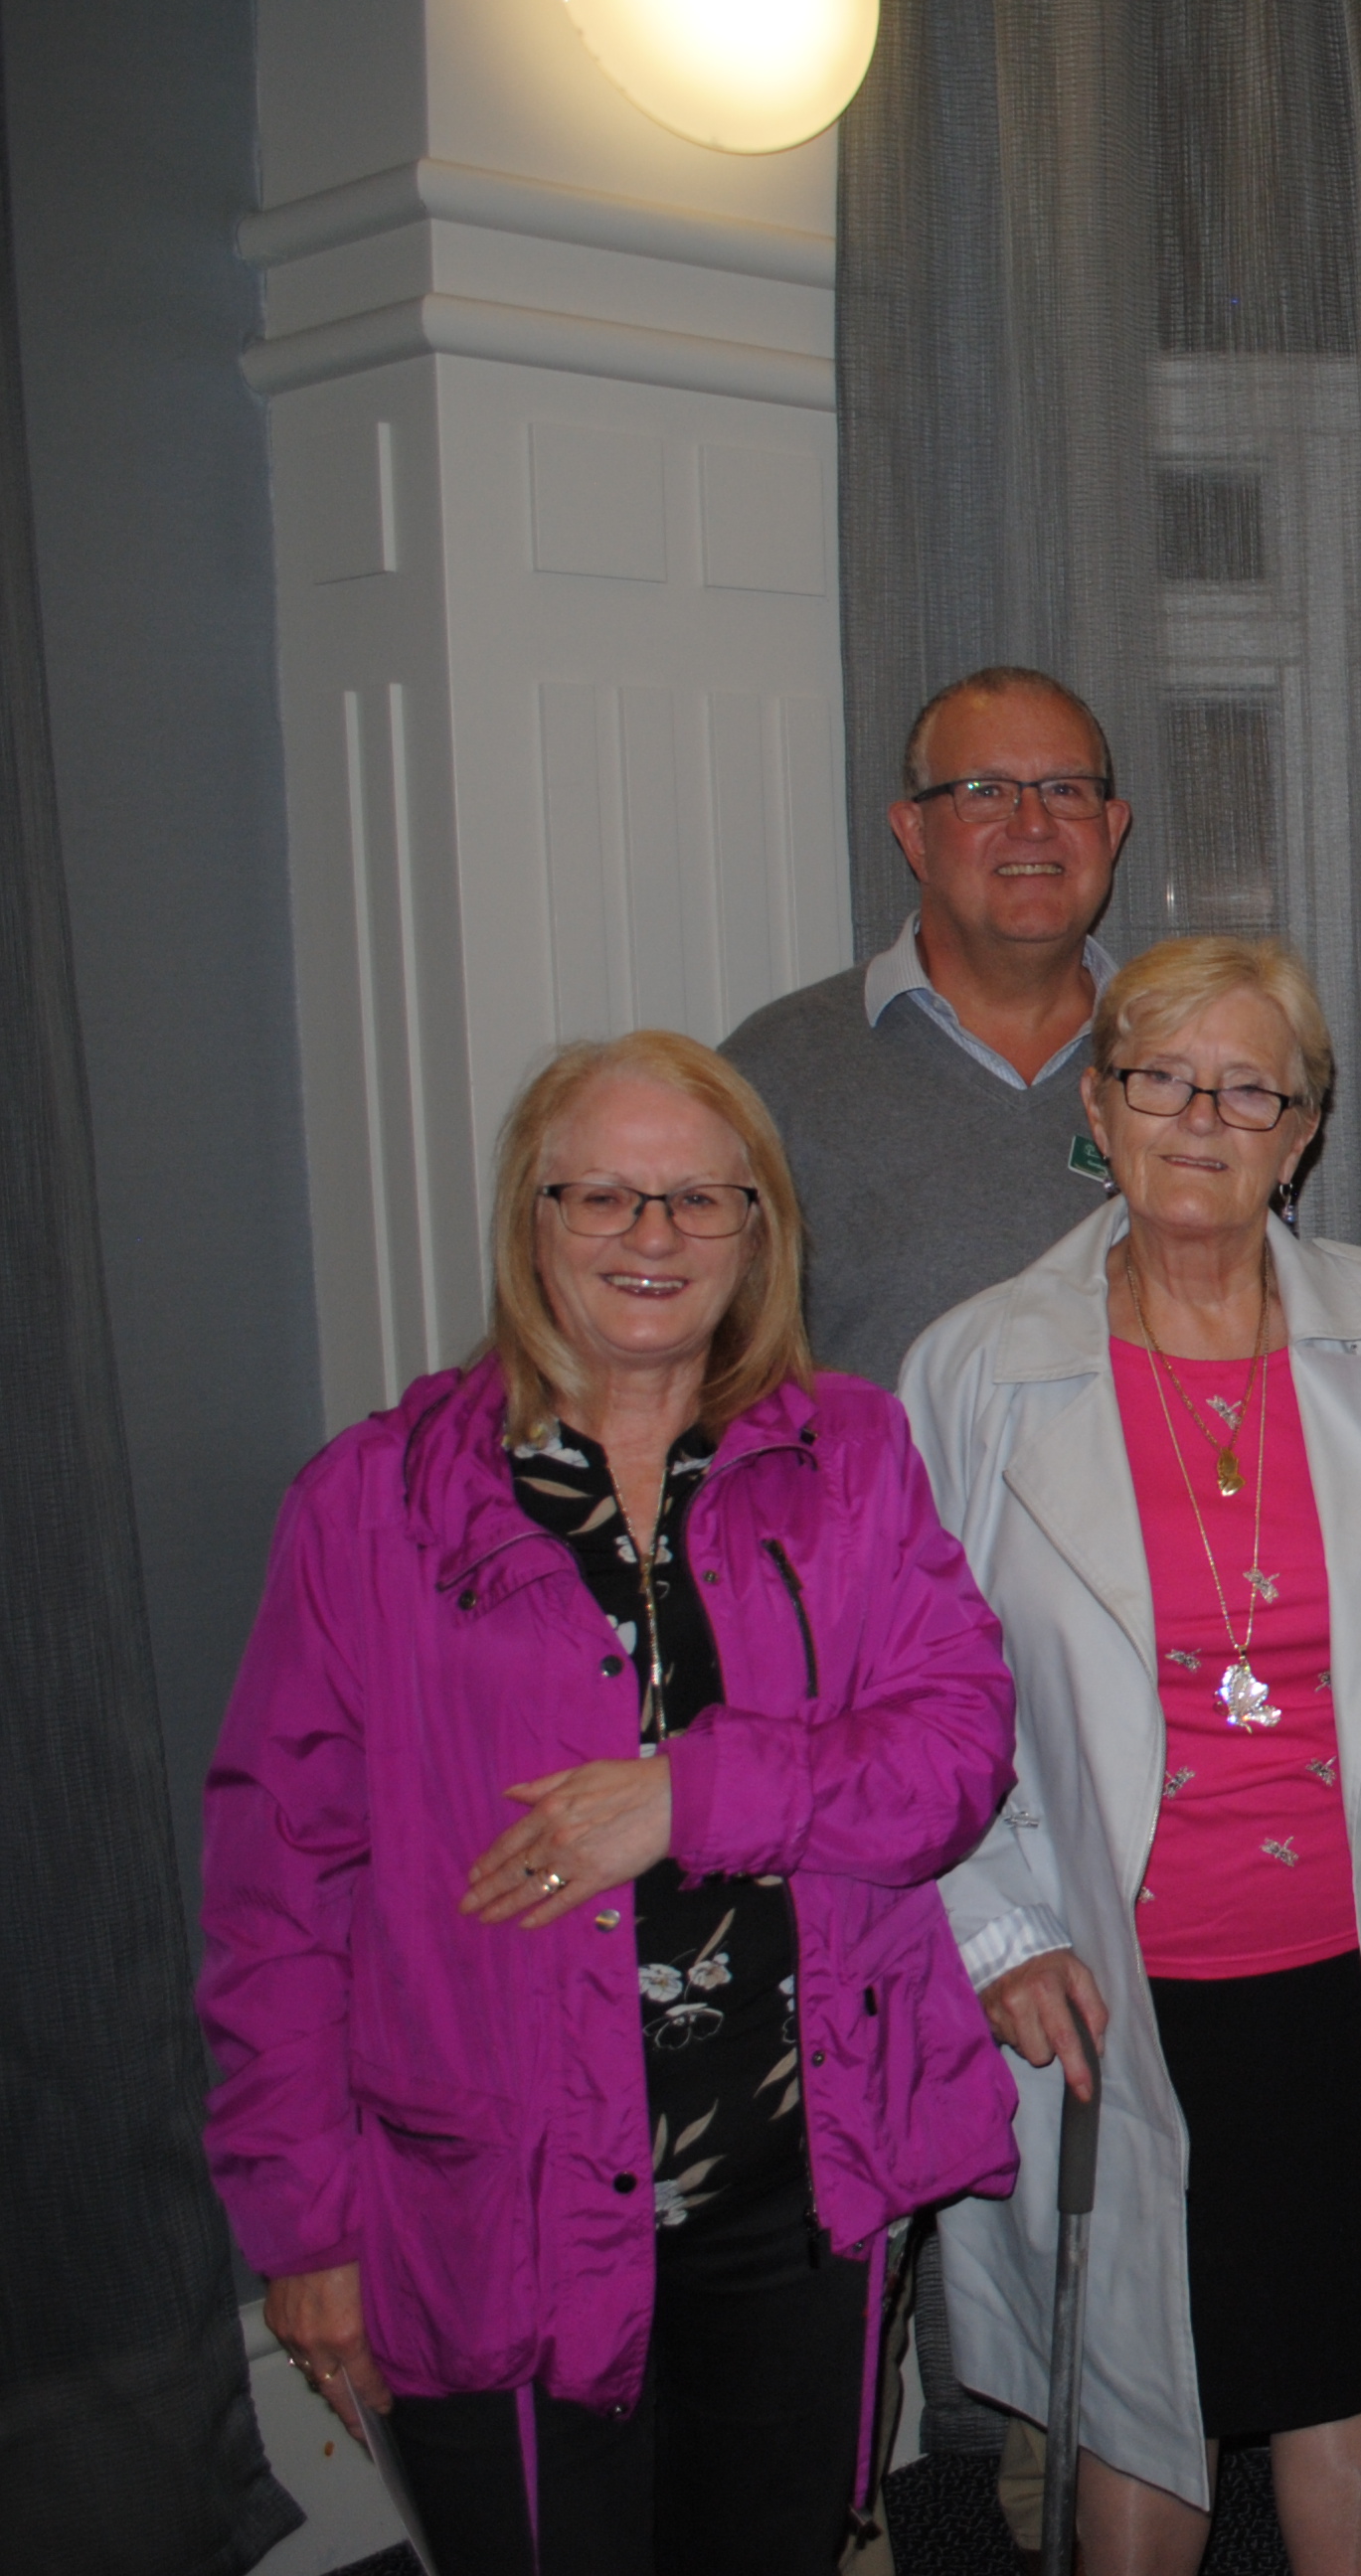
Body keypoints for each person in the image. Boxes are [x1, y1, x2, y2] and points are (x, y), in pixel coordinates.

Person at [199, 1033, 1021, 2576]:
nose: (655, 1240)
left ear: (759, 1231)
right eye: (607, 1198)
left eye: (701, 1202)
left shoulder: (845, 1454)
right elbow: (275, 1896)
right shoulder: (374, 1504)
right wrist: (304, 2232)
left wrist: (687, 1796)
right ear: (532, 1218)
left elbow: (956, 1753)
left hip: (791, 2193)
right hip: (492, 2213)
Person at [907, 933, 1361, 2576]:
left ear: (1303, 1130)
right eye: (1161, 1076)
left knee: (1347, 2361)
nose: (1201, 1115)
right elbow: (917, 1688)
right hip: (1115, 1974)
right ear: (1099, 1104)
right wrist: (999, 1926)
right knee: (1147, 2383)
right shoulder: (980, 1365)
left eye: (1249, 1086)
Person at [722, 665, 1132, 1388]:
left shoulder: (1187, 1068)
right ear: (913, 835)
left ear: (1112, 829)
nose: (1032, 824)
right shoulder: (775, 1072)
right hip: (868, 1504)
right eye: (985, 793)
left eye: (1066, 791)